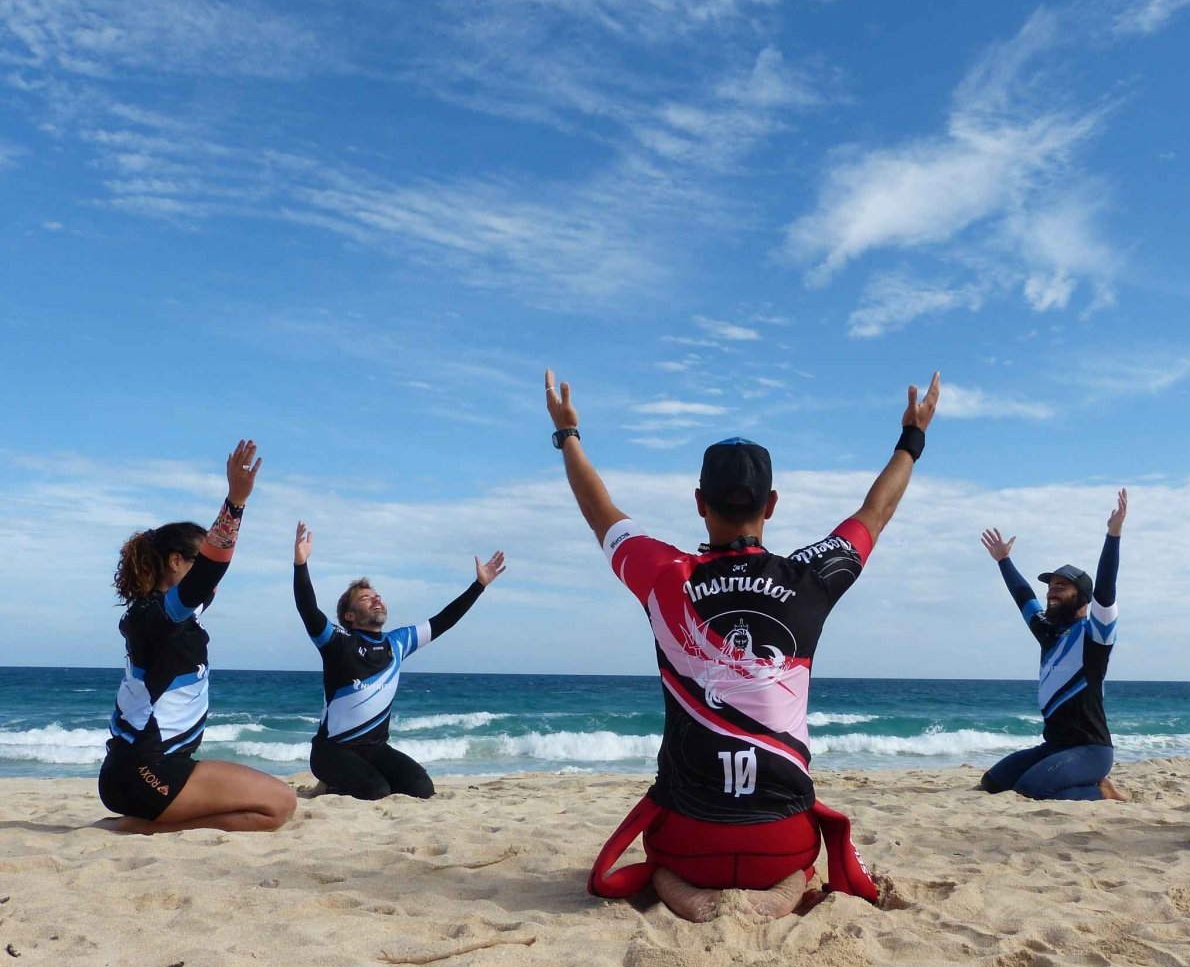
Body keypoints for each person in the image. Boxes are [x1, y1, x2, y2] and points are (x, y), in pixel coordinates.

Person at [546, 367, 939, 921]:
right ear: (771, 503)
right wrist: (911, 440)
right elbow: (875, 513)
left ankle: (674, 885)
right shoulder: (811, 576)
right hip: (781, 841)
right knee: (797, 860)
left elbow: (600, 513)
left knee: (664, 858)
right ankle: (788, 885)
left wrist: (568, 437)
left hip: (688, 841)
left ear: (699, 501)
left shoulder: (667, 574)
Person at [99, 440, 296, 834]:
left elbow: (205, 586)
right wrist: (235, 502)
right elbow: (208, 575)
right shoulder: (153, 616)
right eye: (196, 557)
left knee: (273, 810)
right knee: (280, 803)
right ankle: (142, 828)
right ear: (176, 562)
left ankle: (142, 823)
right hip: (145, 771)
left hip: (150, 769)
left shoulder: (169, 614)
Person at [292, 521, 506, 800]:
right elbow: (308, 609)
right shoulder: (338, 642)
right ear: (349, 615)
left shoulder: (398, 642)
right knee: (376, 790)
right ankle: (330, 784)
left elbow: (443, 621)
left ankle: (350, 781)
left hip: (376, 750)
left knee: (422, 789)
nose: (376, 599)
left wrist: (478, 585)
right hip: (332, 751)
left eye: (377, 596)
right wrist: (300, 565)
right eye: (366, 598)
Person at [977, 489, 1128, 802]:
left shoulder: (1094, 637)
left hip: (1091, 750)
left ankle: (1101, 791)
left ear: (1083, 598)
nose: (1051, 592)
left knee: (1032, 789)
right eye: (1050, 587)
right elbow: (1023, 597)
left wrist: (1113, 535)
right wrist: (1004, 560)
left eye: (1062, 587)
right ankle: (1088, 784)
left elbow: (1105, 590)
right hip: (1054, 748)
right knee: (992, 782)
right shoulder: (1049, 633)